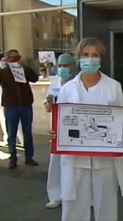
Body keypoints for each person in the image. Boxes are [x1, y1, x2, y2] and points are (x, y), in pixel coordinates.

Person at [49, 38, 123, 221]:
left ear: (101, 59)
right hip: (75, 159)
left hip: (105, 159)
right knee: (73, 208)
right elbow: (60, 121)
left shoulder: (113, 87)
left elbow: (122, 120)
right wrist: (55, 133)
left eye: (95, 55)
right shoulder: (68, 89)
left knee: (107, 208)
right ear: (78, 58)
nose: (90, 59)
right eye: (85, 55)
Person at [43, 54, 77, 209]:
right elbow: (48, 107)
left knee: (78, 163)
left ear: (74, 66)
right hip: (58, 129)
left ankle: (82, 197)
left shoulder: (80, 83)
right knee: (56, 162)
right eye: (60, 65)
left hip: (76, 128)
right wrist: (49, 103)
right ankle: (56, 196)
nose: (63, 69)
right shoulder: (54, 83)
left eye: (67, 65)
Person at [0, 49, 39, 169]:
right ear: (7, 59)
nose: (15, 60)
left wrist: (25, 67)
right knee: (12, 133)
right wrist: (2, 67)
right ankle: (13, 158)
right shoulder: (3, 73)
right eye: (12, 58)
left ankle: (29, 157)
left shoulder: (24, 70)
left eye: (17, 57)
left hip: (25, 105)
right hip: (11, 106)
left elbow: (35, 78)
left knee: (27, 132)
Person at [0, 55, 23, 145]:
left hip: (11, 102)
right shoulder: (1, 73)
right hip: (2, 101)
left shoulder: (16, 71)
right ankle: (8, 138)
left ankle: (21, 139)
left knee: (15, 123)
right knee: (4, 122)